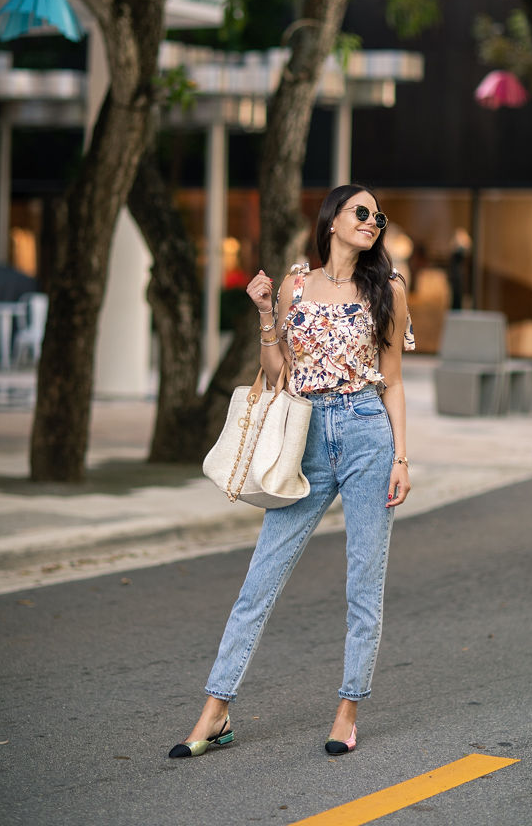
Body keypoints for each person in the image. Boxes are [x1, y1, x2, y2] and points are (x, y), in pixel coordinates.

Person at [168, 184, 415, 760]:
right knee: (260, 579)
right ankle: (216, 708)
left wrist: (402, 457)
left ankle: (348, 710)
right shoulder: (295, 284)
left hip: (366, 435)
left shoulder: (388, 290)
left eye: (379, 216)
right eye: (362, 211)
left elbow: (394, 381)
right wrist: (262, 313)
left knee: (364, 585)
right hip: (304, 437)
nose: (372, 221)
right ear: (332, 220)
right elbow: (277, 370)